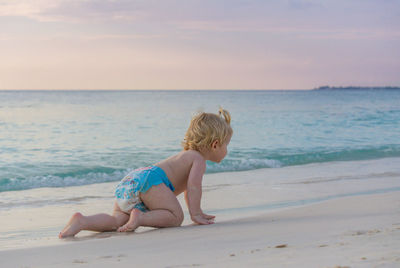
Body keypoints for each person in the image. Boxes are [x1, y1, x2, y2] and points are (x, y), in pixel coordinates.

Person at [59, 108, 233, 238]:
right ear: (215, 144)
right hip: (152, 181)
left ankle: (82, 221)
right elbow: (193, 187)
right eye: (227, 144)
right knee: (175, 217)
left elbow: (188, 190)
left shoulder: (186, 156)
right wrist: (195, 214)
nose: (227, 149)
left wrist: (196, 210)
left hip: (133, 180)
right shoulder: (198, 159)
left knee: (117, 221)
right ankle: (140, 218)